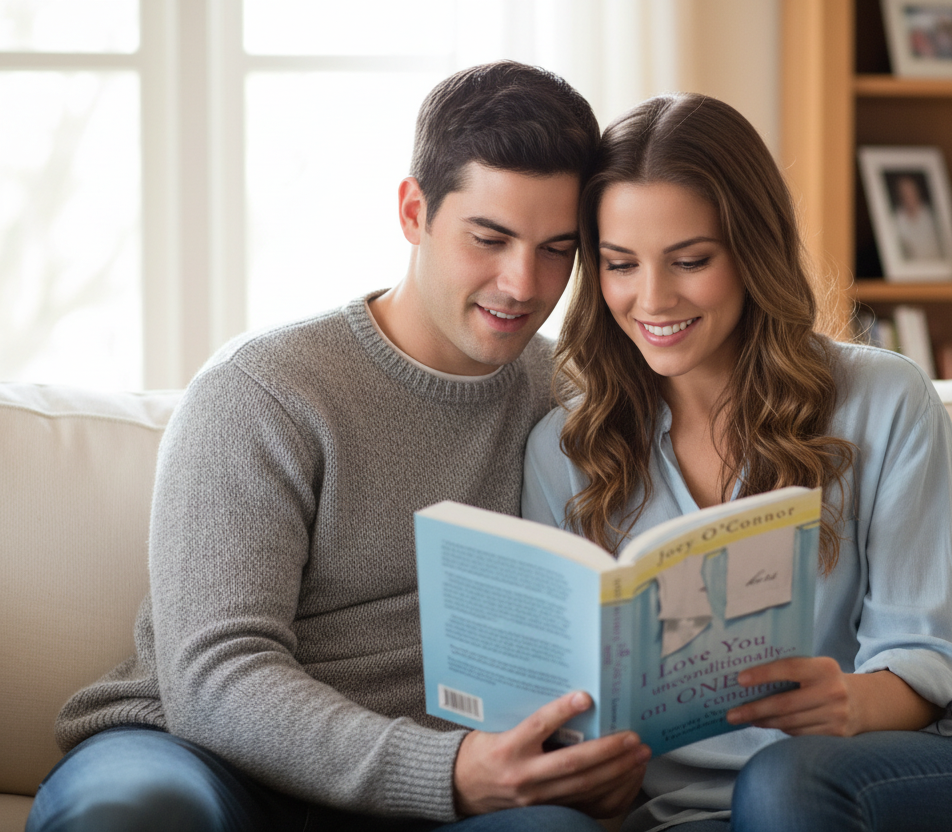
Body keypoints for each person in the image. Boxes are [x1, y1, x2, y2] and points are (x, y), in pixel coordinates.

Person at [26, 61, 650, 832]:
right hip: (203, 756)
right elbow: (216, 679)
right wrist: (445, 770)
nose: (523, 284)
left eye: (558, 249)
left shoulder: (564, 395)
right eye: (489, 238)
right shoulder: (264, 390)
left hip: (443, 786)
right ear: (414, 210)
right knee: (137, 816)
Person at [522, 93, 952, 832]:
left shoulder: (883, 398)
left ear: (752, 250)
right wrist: (591, 772)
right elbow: (573, 695)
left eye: (691, 260)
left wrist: (851, 701)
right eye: (620, 264)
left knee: (782, 785)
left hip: (906, 768)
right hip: (694, 813)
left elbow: (941, 656)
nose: (652, 298)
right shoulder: (566, 450)